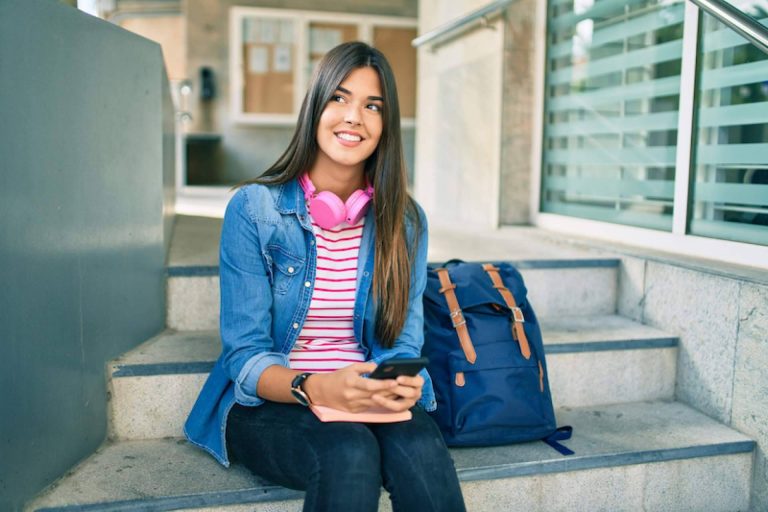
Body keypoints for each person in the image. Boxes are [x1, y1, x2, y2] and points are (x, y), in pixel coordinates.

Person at [184, 41, 466, 512]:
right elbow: (246, 357)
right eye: (339, 98)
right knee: (348, 451)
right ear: (315, 107)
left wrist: (398, 381)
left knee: (417, 447)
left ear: (385, 125)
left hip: (365, 393)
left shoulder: (405, 221)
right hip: (276, 399)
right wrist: (314, 386)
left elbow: (400, 345)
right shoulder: (254, 210)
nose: (354, 117)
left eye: (372, 105)